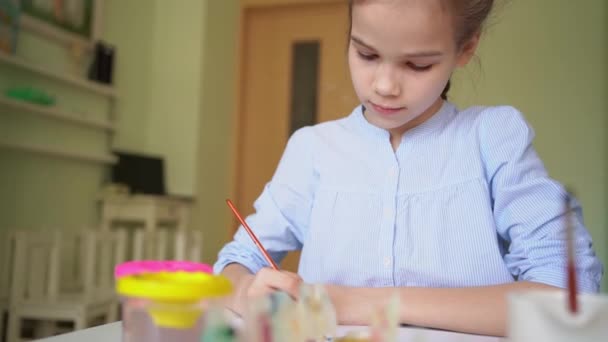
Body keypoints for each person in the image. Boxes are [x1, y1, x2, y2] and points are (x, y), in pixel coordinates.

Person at [214, 0, 603, 336]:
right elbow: (236, 263)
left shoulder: (493, 139)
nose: (384, 85)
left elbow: (570, 304)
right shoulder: (312, 149)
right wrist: (247, 293)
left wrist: (353, 303)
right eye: (365, 54)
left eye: (417, 65)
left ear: (465, 48)